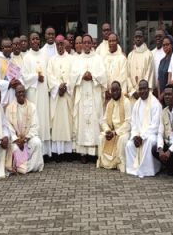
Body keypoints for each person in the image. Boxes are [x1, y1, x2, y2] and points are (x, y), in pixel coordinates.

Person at [70, 34, 107, 162]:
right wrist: (81, 76)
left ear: (92, 44)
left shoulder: (98, 58)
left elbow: (103, 76)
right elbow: (72, 76)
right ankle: (83, 153)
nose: (86, 44)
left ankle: (95, 151)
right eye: (84, 42)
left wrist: (92, 76)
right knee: (82, 122)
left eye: (88, 42)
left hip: (94, 94)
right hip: (82, 96)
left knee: (95, 120)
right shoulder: (77, 59)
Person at [22, 32, 51, 157]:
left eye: (37, 39)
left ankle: (44, 152)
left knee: (43, 119)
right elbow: (24, 76)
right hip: (33, 93)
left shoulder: (45, 56)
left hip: (43, 93)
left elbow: (49, 73)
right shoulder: (27, 57)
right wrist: (36, 77)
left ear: (40, 41)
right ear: (30, 41)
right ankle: (35, 151)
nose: (35, 41)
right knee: (34, 119)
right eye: (32, 39)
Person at [125, 80, 162, 178]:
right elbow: (134, 124)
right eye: (140, 89)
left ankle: (149, 170)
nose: (142, 91)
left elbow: (155, 125)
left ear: (148, 89)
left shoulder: (155, 103)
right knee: (129, 144)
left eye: (144, 88)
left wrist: (142, 137)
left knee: (150, 141)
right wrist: (135, 136)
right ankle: (134, 169)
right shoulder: (137, 104)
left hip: (152, 135)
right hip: (139, 136)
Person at [5, 85, 44, 174]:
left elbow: (35, 126)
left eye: (23, 92)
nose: (21, 94)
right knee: (15, 148)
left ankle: (25, 168)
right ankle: (26, 167)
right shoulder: (9, 108)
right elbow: (8, 126)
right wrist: (16, 139)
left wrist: (26, 138)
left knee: (37, 142)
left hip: (28, 138)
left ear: (25, 93)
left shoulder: (32, 107)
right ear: (15, 94)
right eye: (19, 92)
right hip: (16, 140)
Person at [46, 35, 74, 161]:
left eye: (61, 44)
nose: (60, 46)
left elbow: (74, 75)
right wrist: (58, 87)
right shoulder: (52, 60)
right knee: (57, 124)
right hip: (57, 97)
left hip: (67, 95)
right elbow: (49, 75)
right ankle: (58, 153)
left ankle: (68, 152)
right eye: (57, 44)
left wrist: (66, 86)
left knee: (68, 124)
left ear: (65, 44)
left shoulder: (71, 59)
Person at [97, 81, 132, 172]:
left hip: (123, 131)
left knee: (122, 139)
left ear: (120, 90)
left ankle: (120, 164)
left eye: (117, 90)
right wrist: (108, 130)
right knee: (101, 137)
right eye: (113, 91)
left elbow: (129, 123)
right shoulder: (109, 104)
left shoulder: (126, 102)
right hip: (112, 131)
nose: (115, 93)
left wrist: (115, 132)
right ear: (110, 92)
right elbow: (103, 121)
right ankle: (103, 163)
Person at [0, 38, 23, 108]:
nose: (8, 49)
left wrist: (18, 82)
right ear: (2, 48)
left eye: (9, 46)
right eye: (6, 47)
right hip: (3, 96)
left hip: (14, 95)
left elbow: (21, 77)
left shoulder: (14, 62)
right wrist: (8, 84)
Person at [127, 30, 155, 105]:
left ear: (143, 38)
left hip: (145, 94)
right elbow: (128, 75)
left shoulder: (149, 54)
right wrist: (133, 91)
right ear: (134, 39)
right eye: (136, 37)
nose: (138, 39)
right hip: (133, 95)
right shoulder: (130, 55)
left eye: (140, 37)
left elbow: (150, 74)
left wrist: (142, 91)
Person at [102, 33, 128, 101]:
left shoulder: (122, 58)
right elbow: (103, 76)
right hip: (107, 95)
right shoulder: (105, 58)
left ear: (117, 42)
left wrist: (114, 92)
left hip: (118, 94)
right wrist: (105, 90)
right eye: (110, 41)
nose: (111, 43)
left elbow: (123, 78)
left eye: (113, 41)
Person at [156, 36, 173, 102]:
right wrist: (159, 95)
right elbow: (158, 79)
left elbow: (171, 81)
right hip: (160, 95)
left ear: (172, 45)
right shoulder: (162, 61)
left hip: (169, 95)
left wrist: (163, 94)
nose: (165, 47)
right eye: (163, 45)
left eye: (167, 44)